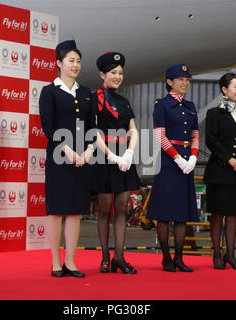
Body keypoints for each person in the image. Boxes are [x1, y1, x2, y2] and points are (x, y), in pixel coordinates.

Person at [39, 40, 96, 278]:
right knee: (56, 210)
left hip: (82, 159)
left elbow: (93, 127)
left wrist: (89, 151)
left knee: (75, 211)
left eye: (78, 61)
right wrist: (69, 151)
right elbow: (48, 127)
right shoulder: (49, 91)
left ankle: (71, 262)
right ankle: (55, 261)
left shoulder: (85, 93)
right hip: (59, 158)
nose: (75, 65)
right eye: (71, 61)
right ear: (58, 63)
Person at [147, 64, 199, 272]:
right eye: (180, 79)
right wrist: (178, 159)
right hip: (169, 163)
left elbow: (195, 135)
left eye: (187, 79)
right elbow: (160, 135)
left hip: (187, 162)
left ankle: (179, 257)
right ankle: (166, 257)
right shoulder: (163, 104)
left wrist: (193, 158)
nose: (184, 83)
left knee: (181, 213)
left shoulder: (191, 106)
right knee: (165, 213)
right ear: (169, 82)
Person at [92, 51, 140, 274]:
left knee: (121, 209)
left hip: (124, 159)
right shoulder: (94, 99)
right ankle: (104, 257)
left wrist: (129, 153)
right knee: (104, 209)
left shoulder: (124, 101)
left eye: (120, 73)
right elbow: (93, 131)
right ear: (102, 74)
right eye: (113, 72)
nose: (117, 76)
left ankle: (119, 257)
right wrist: (111, 155)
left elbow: (133, 130)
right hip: (104, 158)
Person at [203, 73, 236, 270]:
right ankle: (217, 253)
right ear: (224, 89)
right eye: (235, 87)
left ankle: (230, 255)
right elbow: (211, 141)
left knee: (232, 215)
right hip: (219, 171)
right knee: (217, 214)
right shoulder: (214, 113)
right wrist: (229, 158)